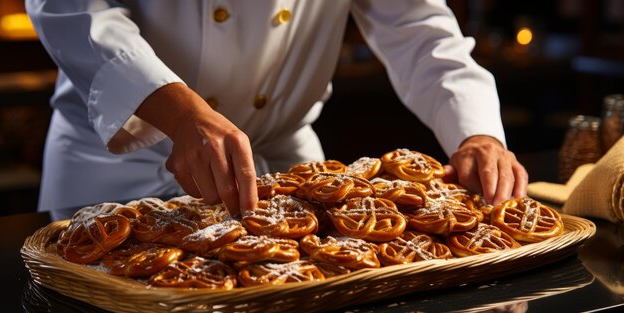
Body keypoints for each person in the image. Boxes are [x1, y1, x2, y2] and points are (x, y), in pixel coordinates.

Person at [26, 0, 528, 216]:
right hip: (121, 171)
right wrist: (180, 115)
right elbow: (72, 9)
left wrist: (477, 132)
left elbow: (420, 32)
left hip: (289, 176)